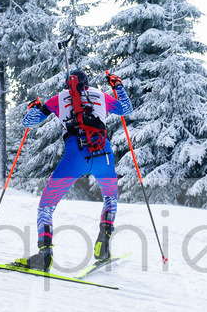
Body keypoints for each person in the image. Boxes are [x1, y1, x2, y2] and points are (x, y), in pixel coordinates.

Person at [14, 69, 132, 271]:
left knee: (46, 206)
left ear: (67, 85)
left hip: (75, 156)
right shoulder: (101, 95)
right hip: (103, 154)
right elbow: (126, 109)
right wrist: (118, 86)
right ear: (87, 83)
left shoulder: (58, 99)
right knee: (110, 198)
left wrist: (35, 108)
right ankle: (103, 245)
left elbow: (29, 122)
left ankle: (45, 255)